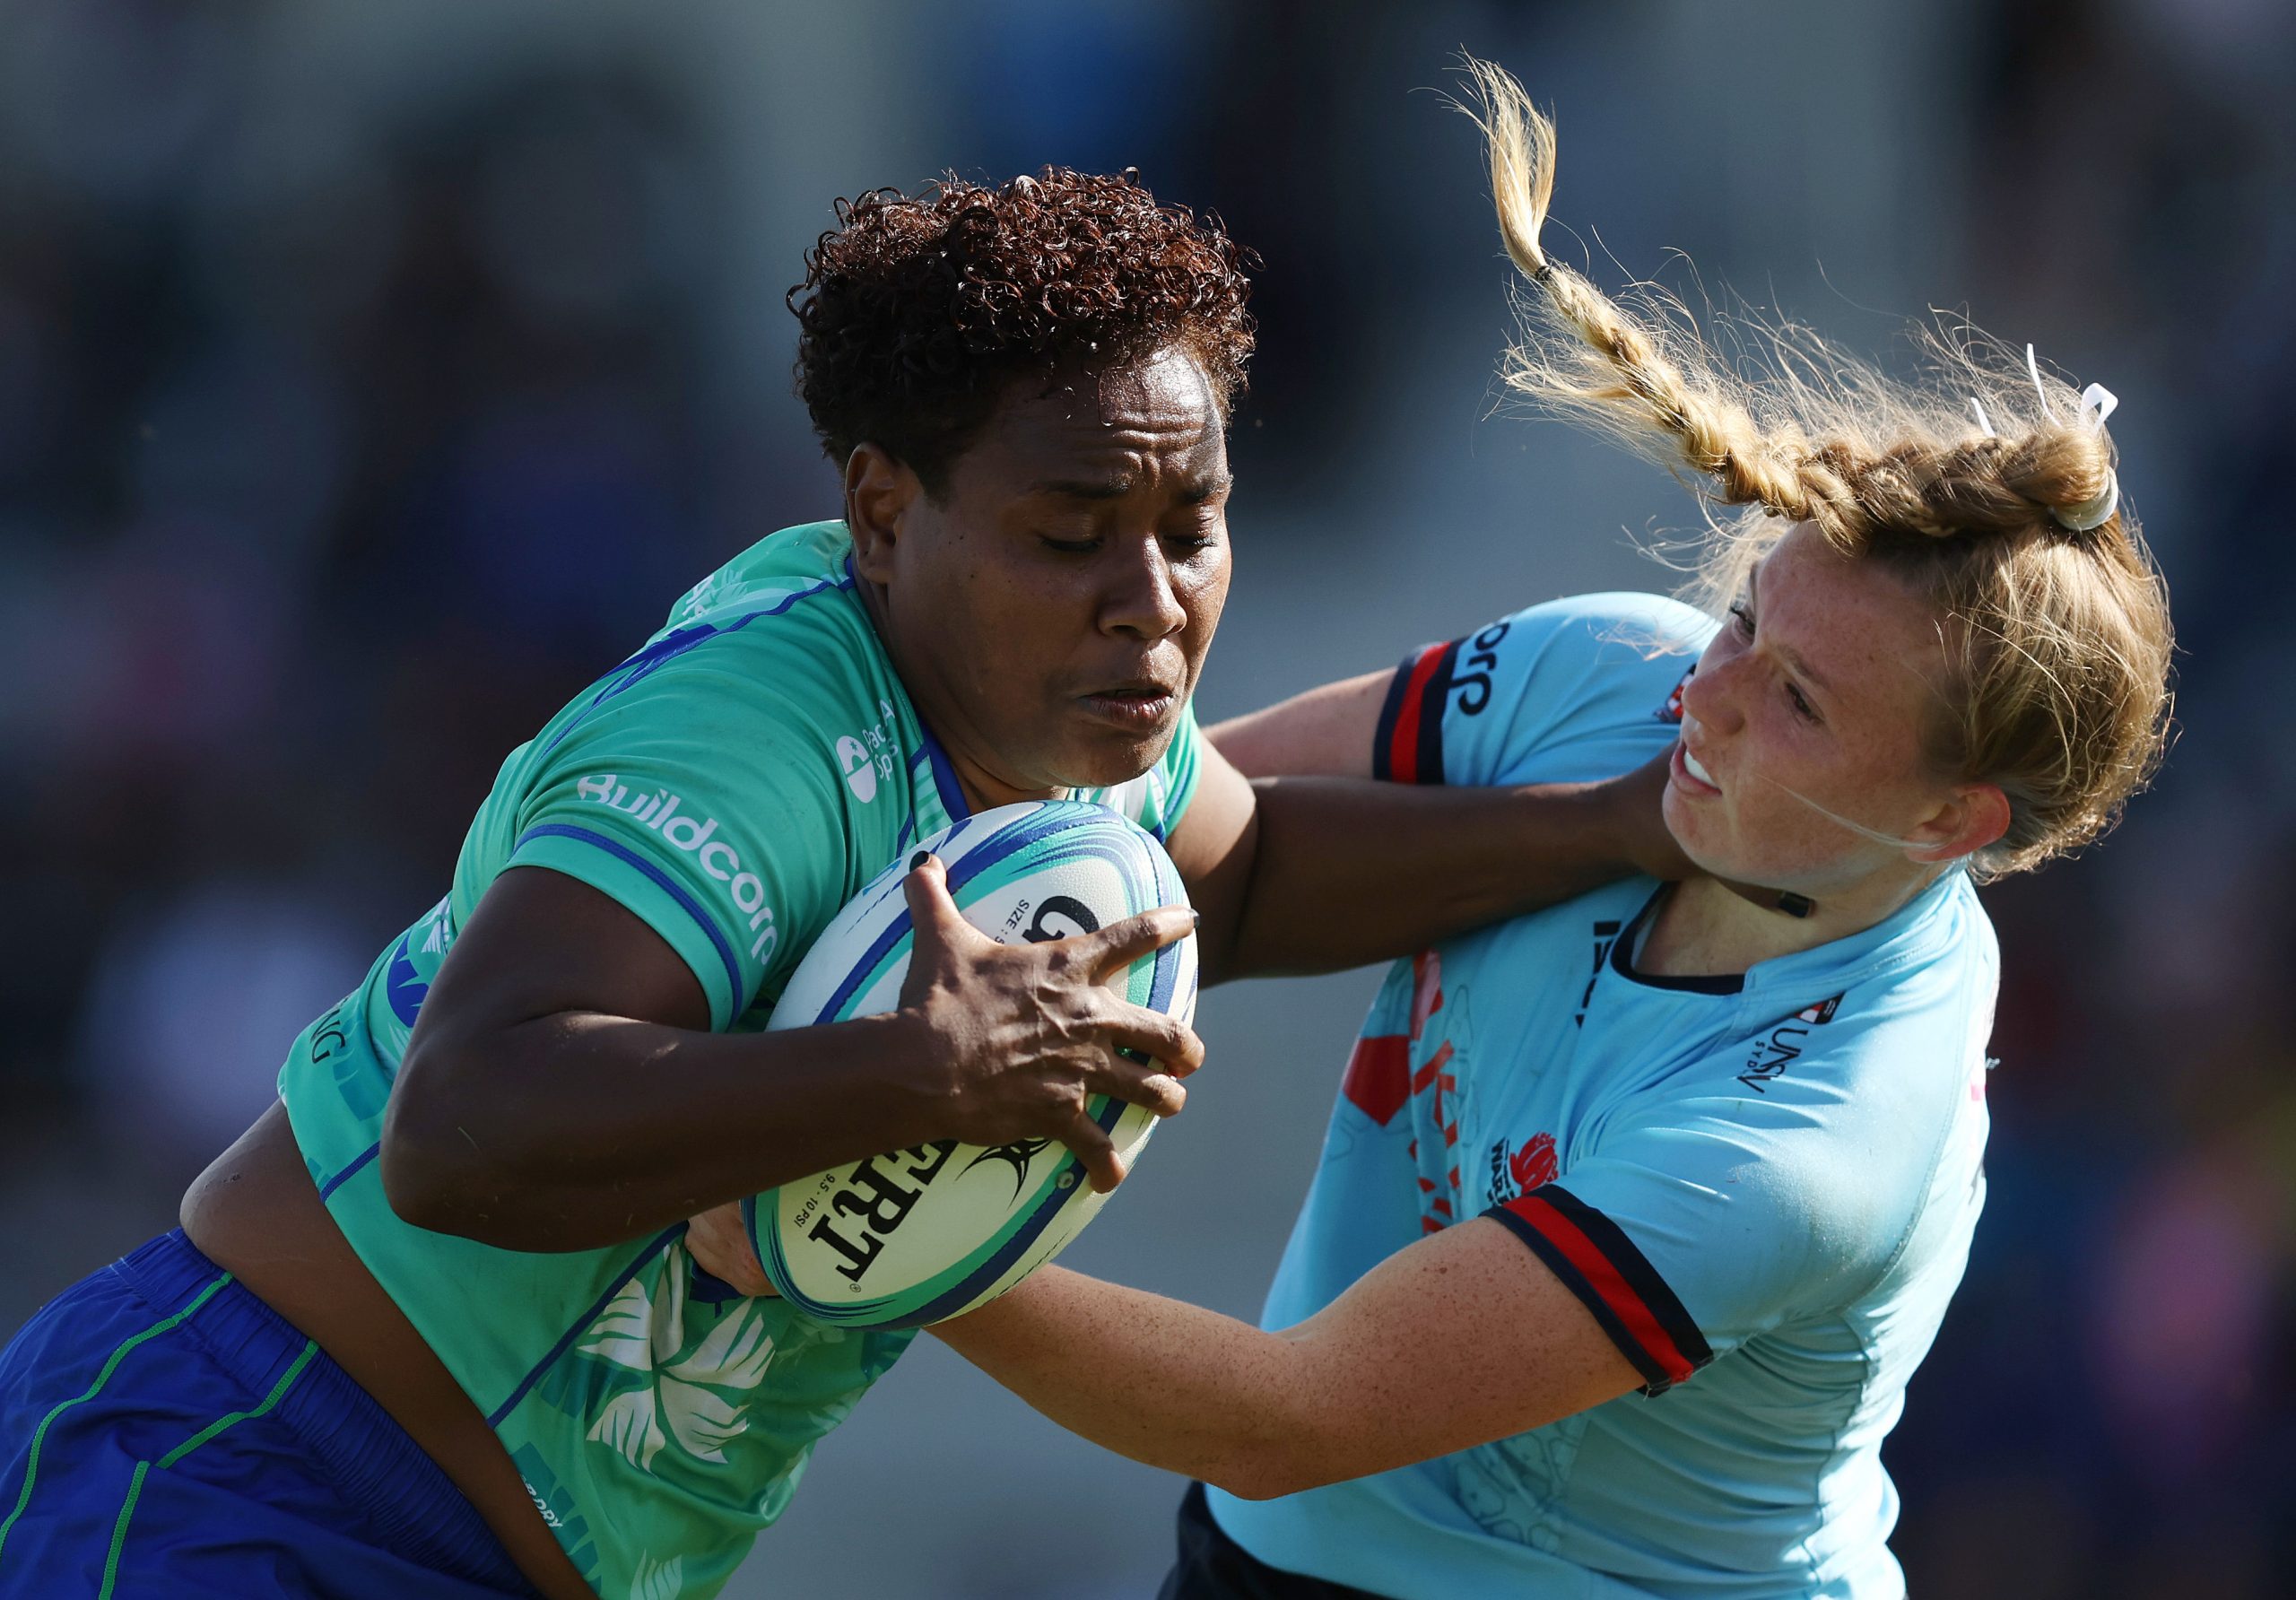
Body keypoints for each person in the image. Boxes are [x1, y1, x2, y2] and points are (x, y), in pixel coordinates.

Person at [0, 166, 1683, 1600]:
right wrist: (911, 1073)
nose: (1152, 595)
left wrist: (1620, 829)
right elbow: (461, 1127)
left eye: (1195, 520)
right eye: (1071, 527)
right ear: (883, 513)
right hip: (247, 1477)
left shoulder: (1084, 727)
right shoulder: (758, 732)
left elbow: (1246, 883)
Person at [923, 61, 2176, 1600]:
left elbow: (1292, 1415)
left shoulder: (1819, 1136)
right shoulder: (1613, 671)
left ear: (1950, 819)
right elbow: (1161, 817)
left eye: (1796, 703)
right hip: (1262, 1557)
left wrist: (865, 1247)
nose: (1703, 700)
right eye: (1741, 620)